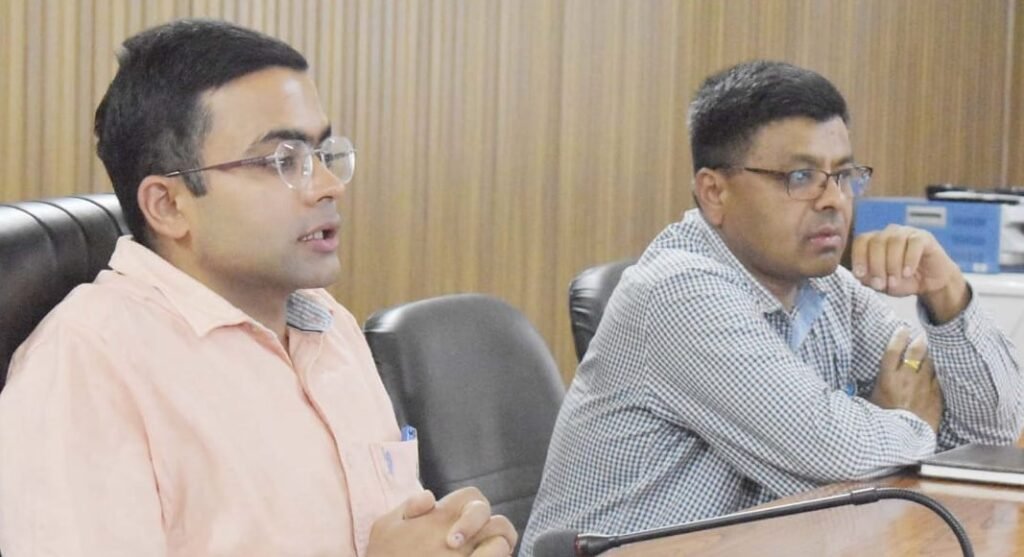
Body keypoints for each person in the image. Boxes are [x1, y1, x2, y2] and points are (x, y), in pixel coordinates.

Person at [0, 19, 515, 557]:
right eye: (281, 161)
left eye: (322, 154)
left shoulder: (328, 324)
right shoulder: (86, 366)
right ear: (169, 205)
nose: (328, 186)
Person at [519, 60, 1024, 555]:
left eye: (843, 175)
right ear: (714, 192)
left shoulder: (831, 289)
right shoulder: (677, 292)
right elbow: (836, 453)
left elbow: (989, 435)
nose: (834, 200)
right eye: (801, 177)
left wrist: (947, 293)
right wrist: (909, 422)